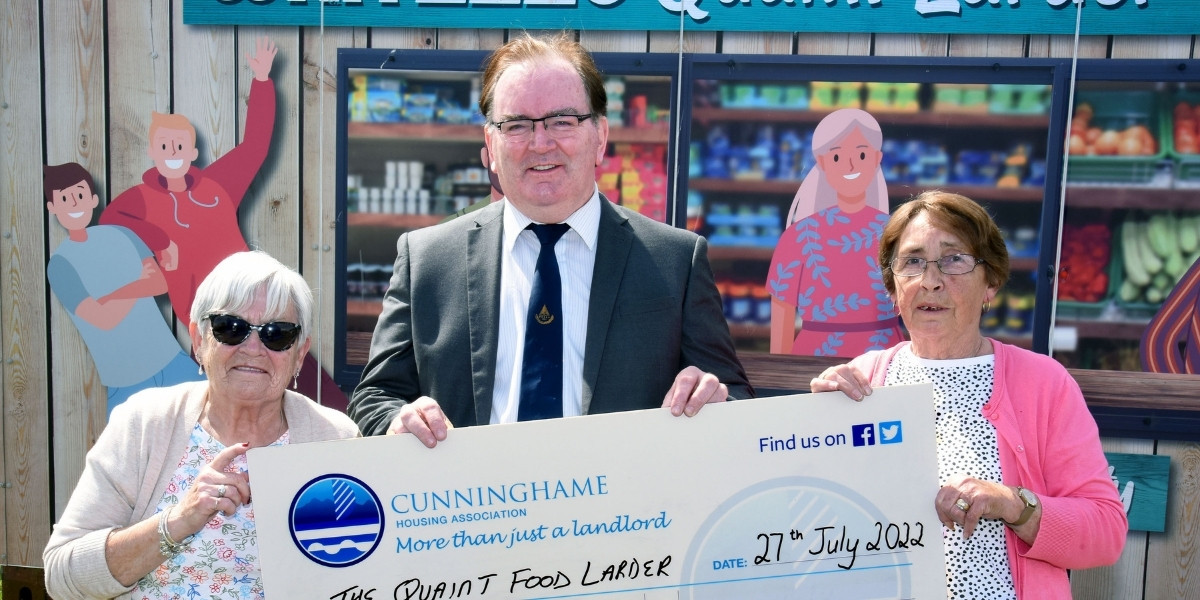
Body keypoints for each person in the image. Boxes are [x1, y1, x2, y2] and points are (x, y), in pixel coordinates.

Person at [350, 32, 751, 447]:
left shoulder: (675, 261)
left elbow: (736, 398)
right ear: (490, 144)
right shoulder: (427, 260)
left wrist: (713, 398)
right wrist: (399, 420)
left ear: (600, 136)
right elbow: (374, 396)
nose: (541, 144)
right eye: (517, 125)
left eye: (562, 121)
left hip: (622, 508)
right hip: (470, 506)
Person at [810, 190, 1127, 598]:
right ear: (892, 288)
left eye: (954, 259)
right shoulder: (862, 380)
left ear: (991, 283)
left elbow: (1106, 531)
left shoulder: (1043, 382)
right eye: (912, 262)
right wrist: (815, 434)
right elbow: (819, 520)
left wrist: (1013, 504)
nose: (931, 281)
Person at [43, 250, 360, 599]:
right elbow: (62, 575)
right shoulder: (145, 423)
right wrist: (176, 522)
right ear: (198, 340)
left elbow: (366, 572)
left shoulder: (336, 439)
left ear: (299, 354)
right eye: (230, 328)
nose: (252, 348)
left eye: (276, 334)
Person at [97, 36, 346, 410]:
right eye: (164, 146)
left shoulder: (214, 186)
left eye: (179, 146)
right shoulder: (142, 201)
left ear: (193, 152)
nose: (172, 154)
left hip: (257, 301)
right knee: (237, 396)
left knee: (302, 378)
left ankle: (344, 434)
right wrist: (157, 238)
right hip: (213, 317)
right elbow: (109, 219)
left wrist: (262, 81)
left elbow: (255, 146)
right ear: (153, 152)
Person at [44, 162, 202, 416]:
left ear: (93, 199)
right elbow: (103, 320)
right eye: (65, 198)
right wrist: (138, 283)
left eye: (80, 195)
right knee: (134, 455)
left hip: (170, 360)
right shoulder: (60, 265)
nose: (75, 203)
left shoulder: (122, 234)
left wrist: (113, 295)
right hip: (125, 380)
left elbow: (158, 283)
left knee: (218, 429)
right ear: (53, 207)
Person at [768, 108, 903, 357]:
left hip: (885, 358)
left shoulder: (898, 232)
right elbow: (782, 316)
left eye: (861, 155)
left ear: (876, 159)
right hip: (814, 359)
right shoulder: (797, 237)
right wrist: (780, 378)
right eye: (838, 157)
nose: (851, 165)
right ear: (822, 163)